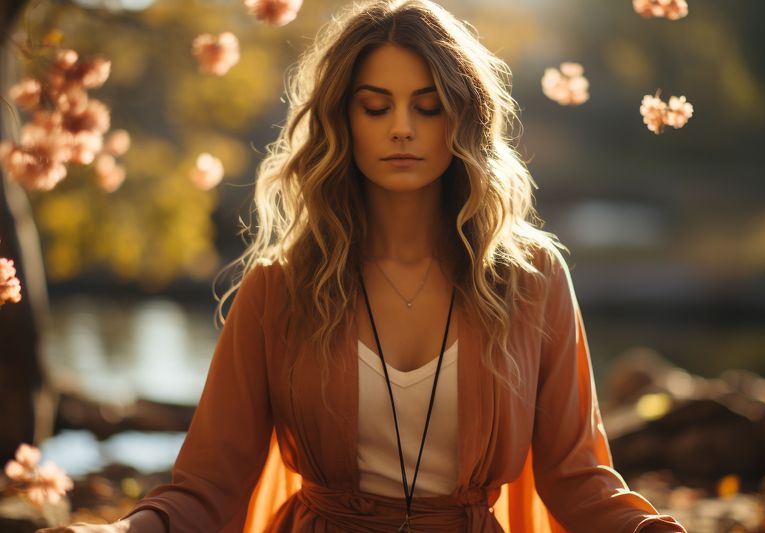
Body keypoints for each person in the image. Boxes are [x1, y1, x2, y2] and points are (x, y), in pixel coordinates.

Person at [40, 0, 688, 531]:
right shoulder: (278, 287)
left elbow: (576, 476)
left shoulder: (532, 279)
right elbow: (209, 485)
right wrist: (119, 530)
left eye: (427, 105)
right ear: (341, 121)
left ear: (461, 118)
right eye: (375, 106)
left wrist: (651, 529)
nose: (402, 127)